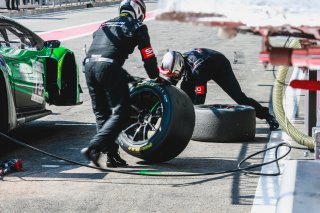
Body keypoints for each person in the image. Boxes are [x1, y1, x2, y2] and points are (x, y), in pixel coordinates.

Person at [81, 0, 163, 168]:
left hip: (89, 66)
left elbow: (103, 52)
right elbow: (148, 56)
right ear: (139, 11)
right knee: (122, 112)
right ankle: (94, 147)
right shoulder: (138, 25)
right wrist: (155, 77)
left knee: (102, 113)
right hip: (108, 66)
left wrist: (125, 76)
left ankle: (111, 156)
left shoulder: (103, 25)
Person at [160, 48, 279, 130]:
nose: (173, 77)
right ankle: (182, 120)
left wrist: (194, 122)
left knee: (239, 97)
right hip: (198, 67)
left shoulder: (197, 70)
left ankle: (268, 116)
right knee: (184, 95)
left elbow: (200, 98)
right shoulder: (181, 64)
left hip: (219, 66)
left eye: (173, 74)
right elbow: (169, 86)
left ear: (179, 67)